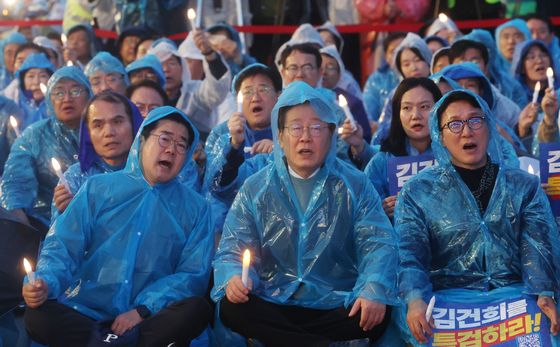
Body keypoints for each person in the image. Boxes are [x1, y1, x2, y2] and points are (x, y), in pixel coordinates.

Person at [212, 81, 397, 346]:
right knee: (232, 308)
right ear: (281, 136)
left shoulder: (354, 184)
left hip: (334, 302)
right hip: (274, 301)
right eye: (296, 128)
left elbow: (377, 243)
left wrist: (373, 288)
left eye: (316, 128)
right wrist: (234, 277)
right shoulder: (257, 187)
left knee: (378, 311)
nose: (306, 137)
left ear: (331, 134)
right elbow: (233, 246)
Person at [23, 106, 214, 347]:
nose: (171, 150)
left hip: (148, 318)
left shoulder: (197, 208)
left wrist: (143, 310)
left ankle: (105, 342)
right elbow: (63, 245)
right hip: (86, 311)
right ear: (142, 141)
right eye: (165, 139)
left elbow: (191, 275)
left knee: (197, 309)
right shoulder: (97, 188)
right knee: (37, 316)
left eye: (181, 145)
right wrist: (45, 282)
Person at [394, 89, 560, 345]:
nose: (467, 131)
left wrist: (543, 292)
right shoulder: (418, 192)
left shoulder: (522, 186)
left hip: (513, 297)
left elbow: (536, 247)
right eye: (455, 124)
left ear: (488, 126)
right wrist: (415, 299)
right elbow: (410, 254)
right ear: (440, 135)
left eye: (475, 120)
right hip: (449, 302)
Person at [0, 66, 93, 233]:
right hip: (47, 225)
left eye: (75, 91)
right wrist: (24, 229)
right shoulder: (34, 136)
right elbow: (15, 184)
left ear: (89, 95)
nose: (66, 99)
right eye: (58, 92)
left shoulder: (101, 130)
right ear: (49, 99)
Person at [203, 63, 281, 233]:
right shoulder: (222, 133)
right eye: (247, 92)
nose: (255, 98)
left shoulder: (288, 132)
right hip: (229, 228)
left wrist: (280, 155)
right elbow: (214, 187)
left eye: (264, 89)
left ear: (278, 96)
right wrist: (233, 145)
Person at [51, 91, 143, 221]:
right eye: (98, 125)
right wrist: (68, 216)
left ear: (134, 125)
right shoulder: (74, 179)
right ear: (88, 133)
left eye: (117, 121)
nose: (109, 132)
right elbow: (59, 238)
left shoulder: (151, 173)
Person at [364, 78, 441, 219]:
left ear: (439, 110)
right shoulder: (380, 163)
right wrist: (380, 212)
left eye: (424, 107)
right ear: (397, 114)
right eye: (406, 108)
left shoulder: (454, 156)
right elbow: (364, 213)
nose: (415, 116)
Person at [147, 33, 231, 137]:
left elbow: (217, 89)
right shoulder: (147, 98)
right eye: (160, 65)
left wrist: (210, 54)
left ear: (182, 67)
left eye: (171, 63)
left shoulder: (195, 92)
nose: (166, 69)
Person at [373, 32, 432, 145]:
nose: (413, 67)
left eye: (418, 60)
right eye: (406, 64)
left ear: (428, 60)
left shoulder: (441, 86)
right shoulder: (395, 95)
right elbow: (382, 134)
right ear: (400, 69)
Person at [449, 32, 528, 108]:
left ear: (486, 65)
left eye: (474, 61)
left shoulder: (501, 96)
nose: (468, 66)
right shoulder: (444, 88)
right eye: (462, 61)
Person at [510, 39, 560, 154]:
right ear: (521, 66)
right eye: (531, 57)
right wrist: (523, 129)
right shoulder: (512, 98)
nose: (539, 60)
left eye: (543, 55)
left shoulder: (558, 95)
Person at [363, 32, 406, 122]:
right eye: (393, 51)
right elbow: (368, 114)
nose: (398, 55)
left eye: (403, 49)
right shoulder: (376, 80)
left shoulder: (419, 74)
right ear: (386, 57)